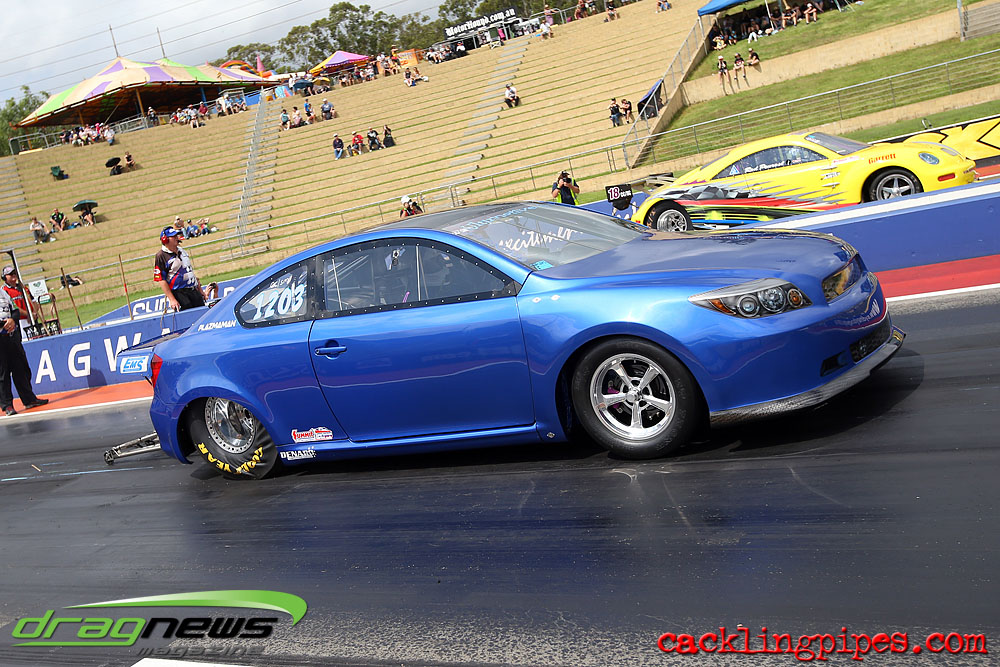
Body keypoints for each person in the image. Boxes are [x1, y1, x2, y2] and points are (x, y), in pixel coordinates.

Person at [0, 284, 48, 417]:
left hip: (12, 336)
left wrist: (12, 320)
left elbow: (15, 310)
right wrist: (3, 324)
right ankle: (7, 405)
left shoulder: (3, 293)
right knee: (3, 374)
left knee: (21, 368)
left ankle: (29, 399)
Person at [154, 227, 205, 312]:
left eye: (176, 236)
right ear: (165, 239)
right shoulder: (161, 256)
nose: (176, 238)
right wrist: (172, 299)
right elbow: (161, 279)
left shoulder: (182, 251)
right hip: (179, 293)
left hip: (193, 291)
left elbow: (190, 272)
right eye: (173, 236)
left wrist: (199, 289)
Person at [2, 266, 40, 337]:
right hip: (18, 322)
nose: (13, 275)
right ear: (4, 277)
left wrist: (34, 313)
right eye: (10, 274)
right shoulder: (4, 291)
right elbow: (13, 307)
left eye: (14, 273)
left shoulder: (23, 287)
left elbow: (34, 302)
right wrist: (28, 314)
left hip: (32, 319)